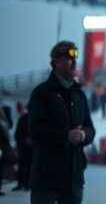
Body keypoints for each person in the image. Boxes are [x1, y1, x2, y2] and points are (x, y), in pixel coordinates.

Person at [27, 41, 95, 204]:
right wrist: (66, 136)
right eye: (69, 58)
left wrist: (84, 135)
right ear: (57, 62)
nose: (74, 62)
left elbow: (90, 129)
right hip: (46, 179)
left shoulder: (79, 95)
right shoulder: (41, 93)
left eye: (75, 58)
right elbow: (34, 129)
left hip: (73, 179)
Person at [14, 102, 32, 191]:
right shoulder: (24, 118)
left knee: (26, 165)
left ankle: (24, 184)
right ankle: (23, 184)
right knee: (25, 165)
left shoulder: (25, 118)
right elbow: (17, 133)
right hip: (25, 146)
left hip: (27, 146)